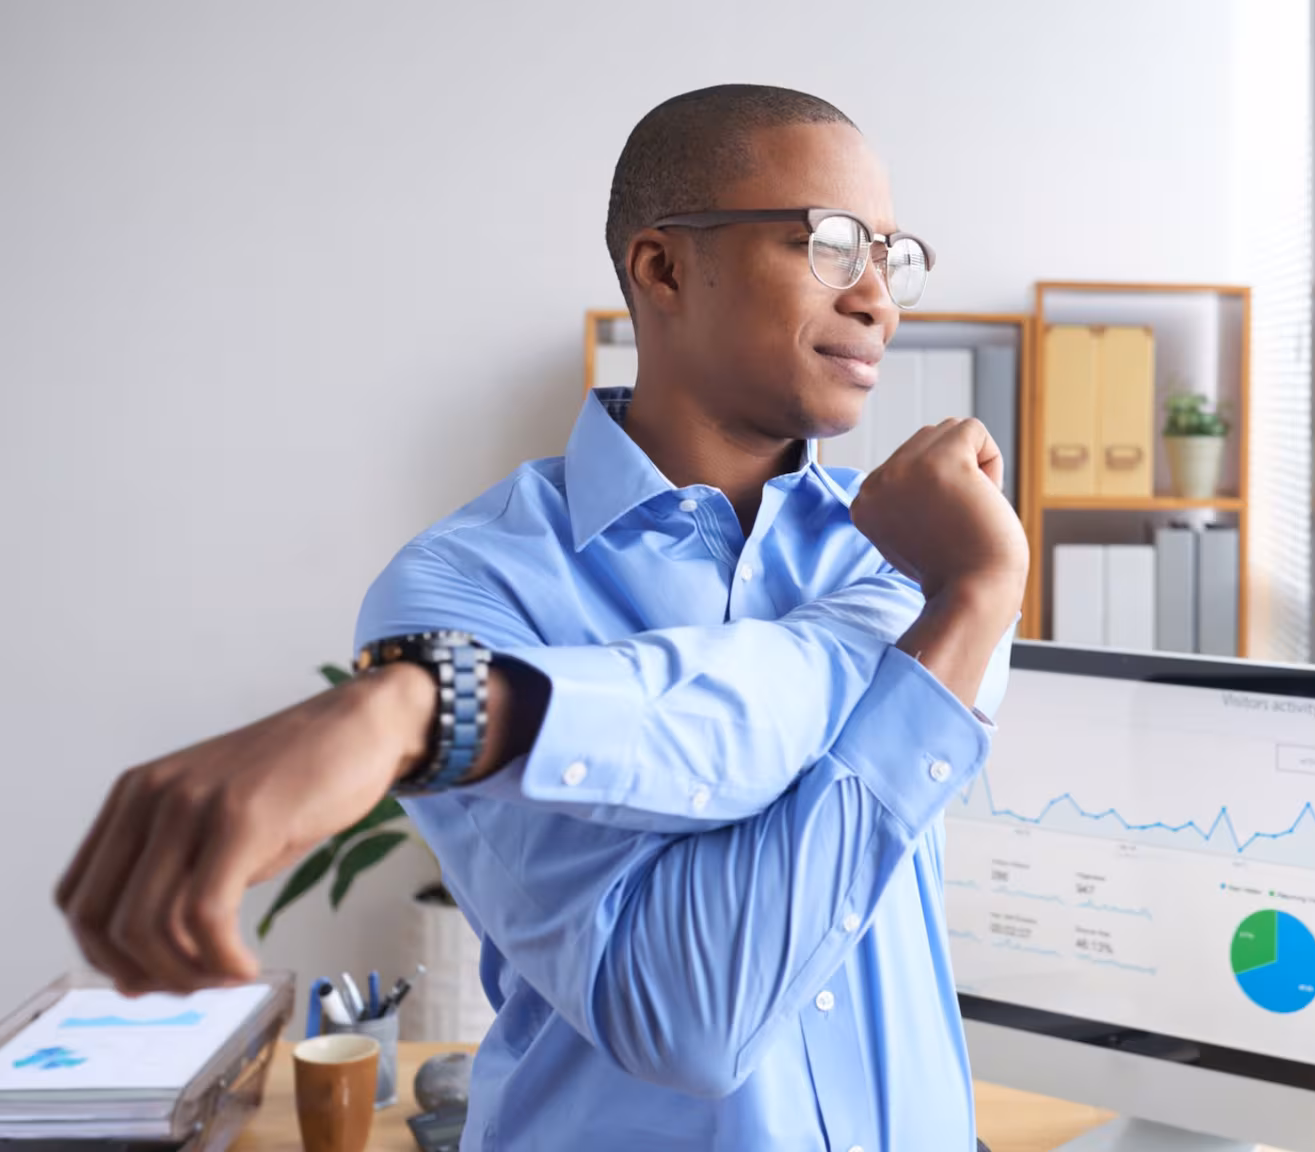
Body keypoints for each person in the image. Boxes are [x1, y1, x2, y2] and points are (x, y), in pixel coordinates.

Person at [55, 85, 1027, 1151]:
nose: (880, 297)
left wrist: (435, 708)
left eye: (891, 253)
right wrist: (966, 607)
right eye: (832, 244)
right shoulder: (456, 591)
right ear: (661, 267)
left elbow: (787, 684)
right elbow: (688, 1017)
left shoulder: (906, 544)